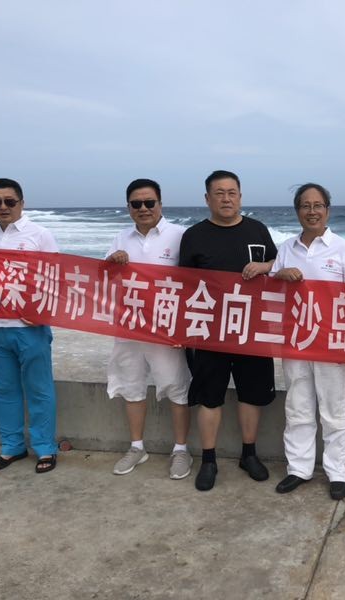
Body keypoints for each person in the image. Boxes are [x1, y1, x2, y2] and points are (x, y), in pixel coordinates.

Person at [179, 170, 278, 491]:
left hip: (253, 328)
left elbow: (280, 264)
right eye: (219, 193)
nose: (226, 198)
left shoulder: (257, 229)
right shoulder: (194, 235)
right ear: (207, 199)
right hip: (210, 333)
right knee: (210, 398)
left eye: (232, 192)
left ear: (240, 196)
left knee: (252, 394)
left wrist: (265, 266)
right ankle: (208, 460)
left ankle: (249, 454)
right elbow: (184, 286)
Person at [271, 183, 345, 500]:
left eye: (318, 205)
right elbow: (271, 289)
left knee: (334, 410)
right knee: (298, 406)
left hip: (331, 342)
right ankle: (299, 468)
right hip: (295, 339)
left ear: (327, 210)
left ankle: (337, 473)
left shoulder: (343, 248)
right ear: (298, 211)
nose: (312, 211)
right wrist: (279, 274)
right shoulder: (286, 248)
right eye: (305, 206)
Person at [0, 178, 59, 474]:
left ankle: (45, 447)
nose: (3, 207)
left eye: (10, 201)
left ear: (22, 202)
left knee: (39, 389)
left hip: (29, 326)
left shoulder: (39, 234)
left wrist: (42, 314)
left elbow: (55, 278)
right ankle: (12, 446)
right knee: (3, 389)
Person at [106, 179, 193, 479]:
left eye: (149, 202)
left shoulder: (179, 235)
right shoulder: (120, 238)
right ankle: (136, 447)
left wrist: (185, 327)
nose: (143, 208)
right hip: (129, 325)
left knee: (176, 387)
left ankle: (181, 450)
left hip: (167, 328)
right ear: (128, 207)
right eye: (136, 204)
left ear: (160, 203)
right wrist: (112, 264)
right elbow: (103, 279)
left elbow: (194, 282)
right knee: (131, 386)